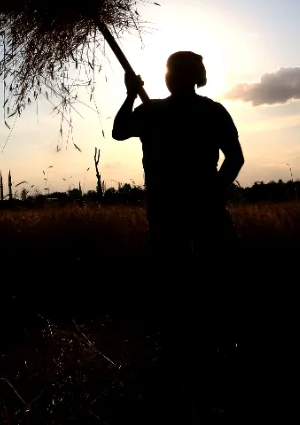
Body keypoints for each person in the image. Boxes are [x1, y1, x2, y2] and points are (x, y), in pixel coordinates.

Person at [112, 51, 245, 406]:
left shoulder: (209, 112)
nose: (172, 77)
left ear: (192, 77)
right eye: (170, 71)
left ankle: (213, 348)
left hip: (200, 210)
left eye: (178, 72)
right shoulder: (152, 111)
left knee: (211, 275)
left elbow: (235, 158)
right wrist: (129, 94)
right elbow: (120, 132)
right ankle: (181, 350)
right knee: (176, 278)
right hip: (170, 211)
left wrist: (214, 190)